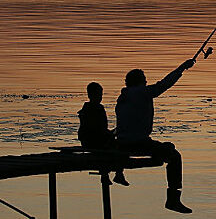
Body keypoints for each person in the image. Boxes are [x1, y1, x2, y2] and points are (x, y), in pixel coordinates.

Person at [115, 59, 195, 214]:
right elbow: (164, 84)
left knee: (168, 147)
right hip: (136, 143)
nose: (146, 83)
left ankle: (120, 173)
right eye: (145, 80)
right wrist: (182, 68)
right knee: (174, 156)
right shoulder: (140, 92)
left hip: (123, 142)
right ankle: (173, 199)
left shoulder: (123, 97)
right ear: (140, 82)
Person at [78, 82, 129, 186]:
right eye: (97, 95)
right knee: (121, 147)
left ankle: (107, 175)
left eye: (100, 95)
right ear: (90, 95)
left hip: (90, 140)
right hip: (94, 141)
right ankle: (117, 174)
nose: (99, 97)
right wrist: (111, 134)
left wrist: (109, 133)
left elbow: (99, 129)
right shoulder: (96, 109)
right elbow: (97, 130)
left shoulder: (87, 109)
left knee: (111, 147)